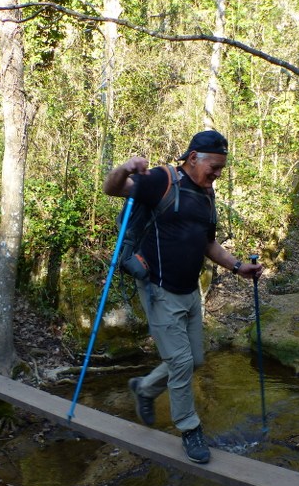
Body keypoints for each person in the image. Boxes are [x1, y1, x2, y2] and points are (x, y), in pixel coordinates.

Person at [103, 130, 262, 465]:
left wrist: (238, 267)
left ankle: (145, 388)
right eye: (214, 167)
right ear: (193, 158)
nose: (218, 174)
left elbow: (208, 244)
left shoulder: (207, 196)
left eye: (221, 168)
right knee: (180, 363)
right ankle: (190, 429)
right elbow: (113, 188)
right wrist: (126, 167)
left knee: (195, 361)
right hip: (159, 289)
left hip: (190, 292)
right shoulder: (163, 180)